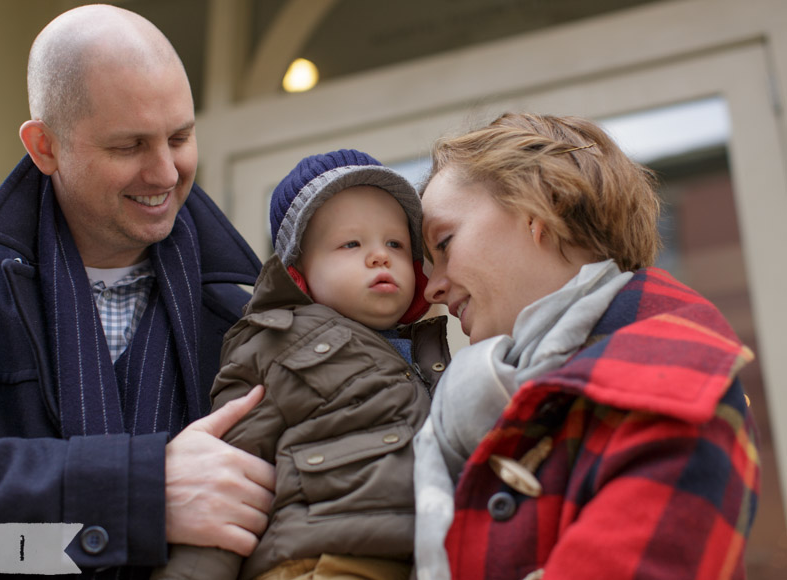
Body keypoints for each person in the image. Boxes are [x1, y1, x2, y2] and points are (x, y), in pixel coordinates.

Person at [0, 4, 275, 577]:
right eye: (128, 146)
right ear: (45, 147)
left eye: (180, 136)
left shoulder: (251, 320)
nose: (164, 173)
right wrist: (135, 494)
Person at [413, 112, 760, 580]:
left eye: (445, 242)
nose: (431, 287)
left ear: (541, 208)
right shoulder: (485, 400)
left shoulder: (678, 383)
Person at [152, 149, 451, 580]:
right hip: (317, 564)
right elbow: (225, 475)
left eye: (396, 243)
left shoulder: (434, 355)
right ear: (298, 274)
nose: (379, 256)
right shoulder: (274, 342)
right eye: (351, 243)